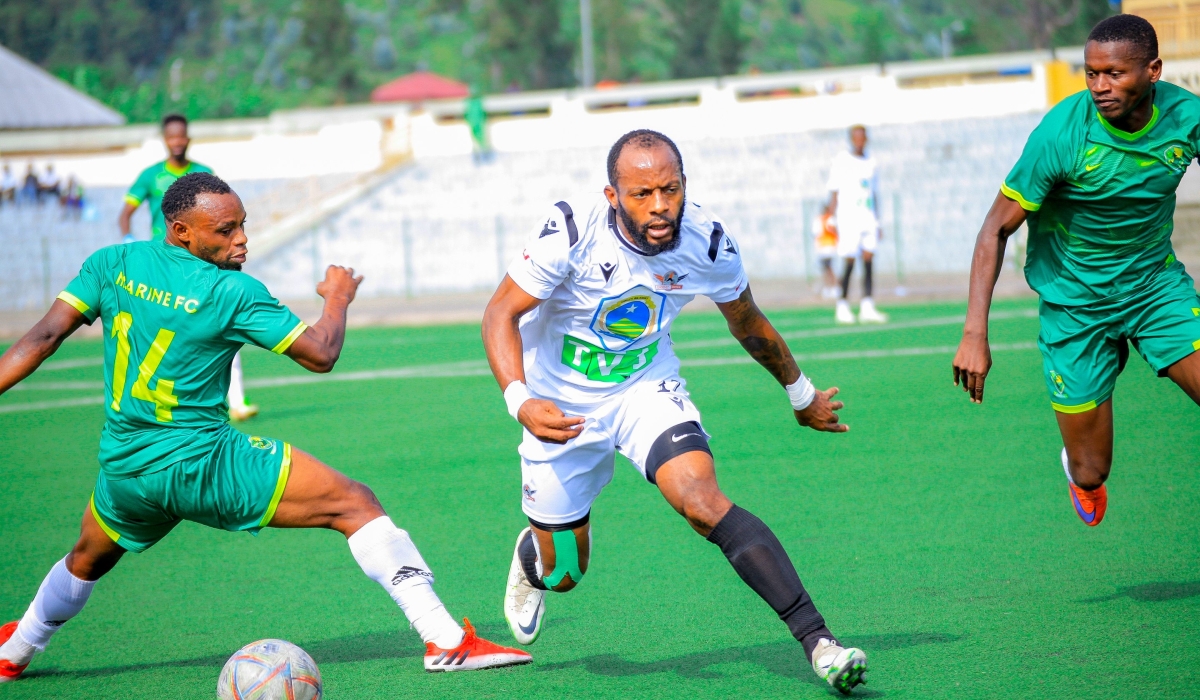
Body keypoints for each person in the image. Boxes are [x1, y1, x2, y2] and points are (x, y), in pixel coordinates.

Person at [0, 173, 531, 683]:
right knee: (355, 504)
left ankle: (15, 651)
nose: (242, 240)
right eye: (225, 230)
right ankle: (444, 640)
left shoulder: (112, 262)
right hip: (202, 462)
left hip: (124, 468)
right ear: (181, 231)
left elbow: (44, 337)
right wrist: (337, 298)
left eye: (242, 225)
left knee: (86, 559)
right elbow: (321, 354)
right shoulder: (232, 293)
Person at [482, 130, 869, 694]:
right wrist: (520, 400)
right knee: (566, 573)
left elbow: (746, 319)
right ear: (613, 196)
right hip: (557, 406)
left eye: (670, 189)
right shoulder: (570, 230)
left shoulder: (706, 241)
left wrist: (800, 392)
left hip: (645, 387)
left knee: (702, 501)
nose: (660, 206)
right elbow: (499, 313)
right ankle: (534, 556)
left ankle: (820, 642)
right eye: (642, 194)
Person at [952, 15, 1200, 527]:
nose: (1099, 87)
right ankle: (1078, 466)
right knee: (1092, 471)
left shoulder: (1187, 117)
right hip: (1075, 307)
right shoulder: (1063, 134)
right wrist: (975, 334)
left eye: (1113, 73)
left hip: (1155, 289)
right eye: (1091, 74)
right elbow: (994, 230)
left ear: (1153, 70)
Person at [119, 114, 257, 422]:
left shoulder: (203, 173)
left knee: (222, 324)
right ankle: (156, 400)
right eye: (172, 137)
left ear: (188, 138)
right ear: (165, 139)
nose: (177, 142)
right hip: (164, 264)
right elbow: (125, 213)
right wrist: (130, 243)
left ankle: (236, 400)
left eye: (182, 136)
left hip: (201, 264)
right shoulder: (150, 175)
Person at [826, 125, 887, 324]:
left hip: (867, 217)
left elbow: (873, 193)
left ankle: (867, 305)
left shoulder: (871, 162)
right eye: (856, 137)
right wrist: (832, 218)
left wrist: (877, 222)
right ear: (852, 139)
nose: (859, 141)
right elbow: (834, 192)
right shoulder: (842, 161)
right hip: (848, 218)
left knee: (869, 259)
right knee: (850, 261)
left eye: (862, 137)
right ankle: (842, 304)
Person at [814, 208, 840, 299]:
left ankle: (834, 287)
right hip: (824, 247)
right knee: (826, 268)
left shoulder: (826, 219)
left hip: (828, 247)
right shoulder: (824, 219)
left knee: (829, 267)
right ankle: (829, 287)